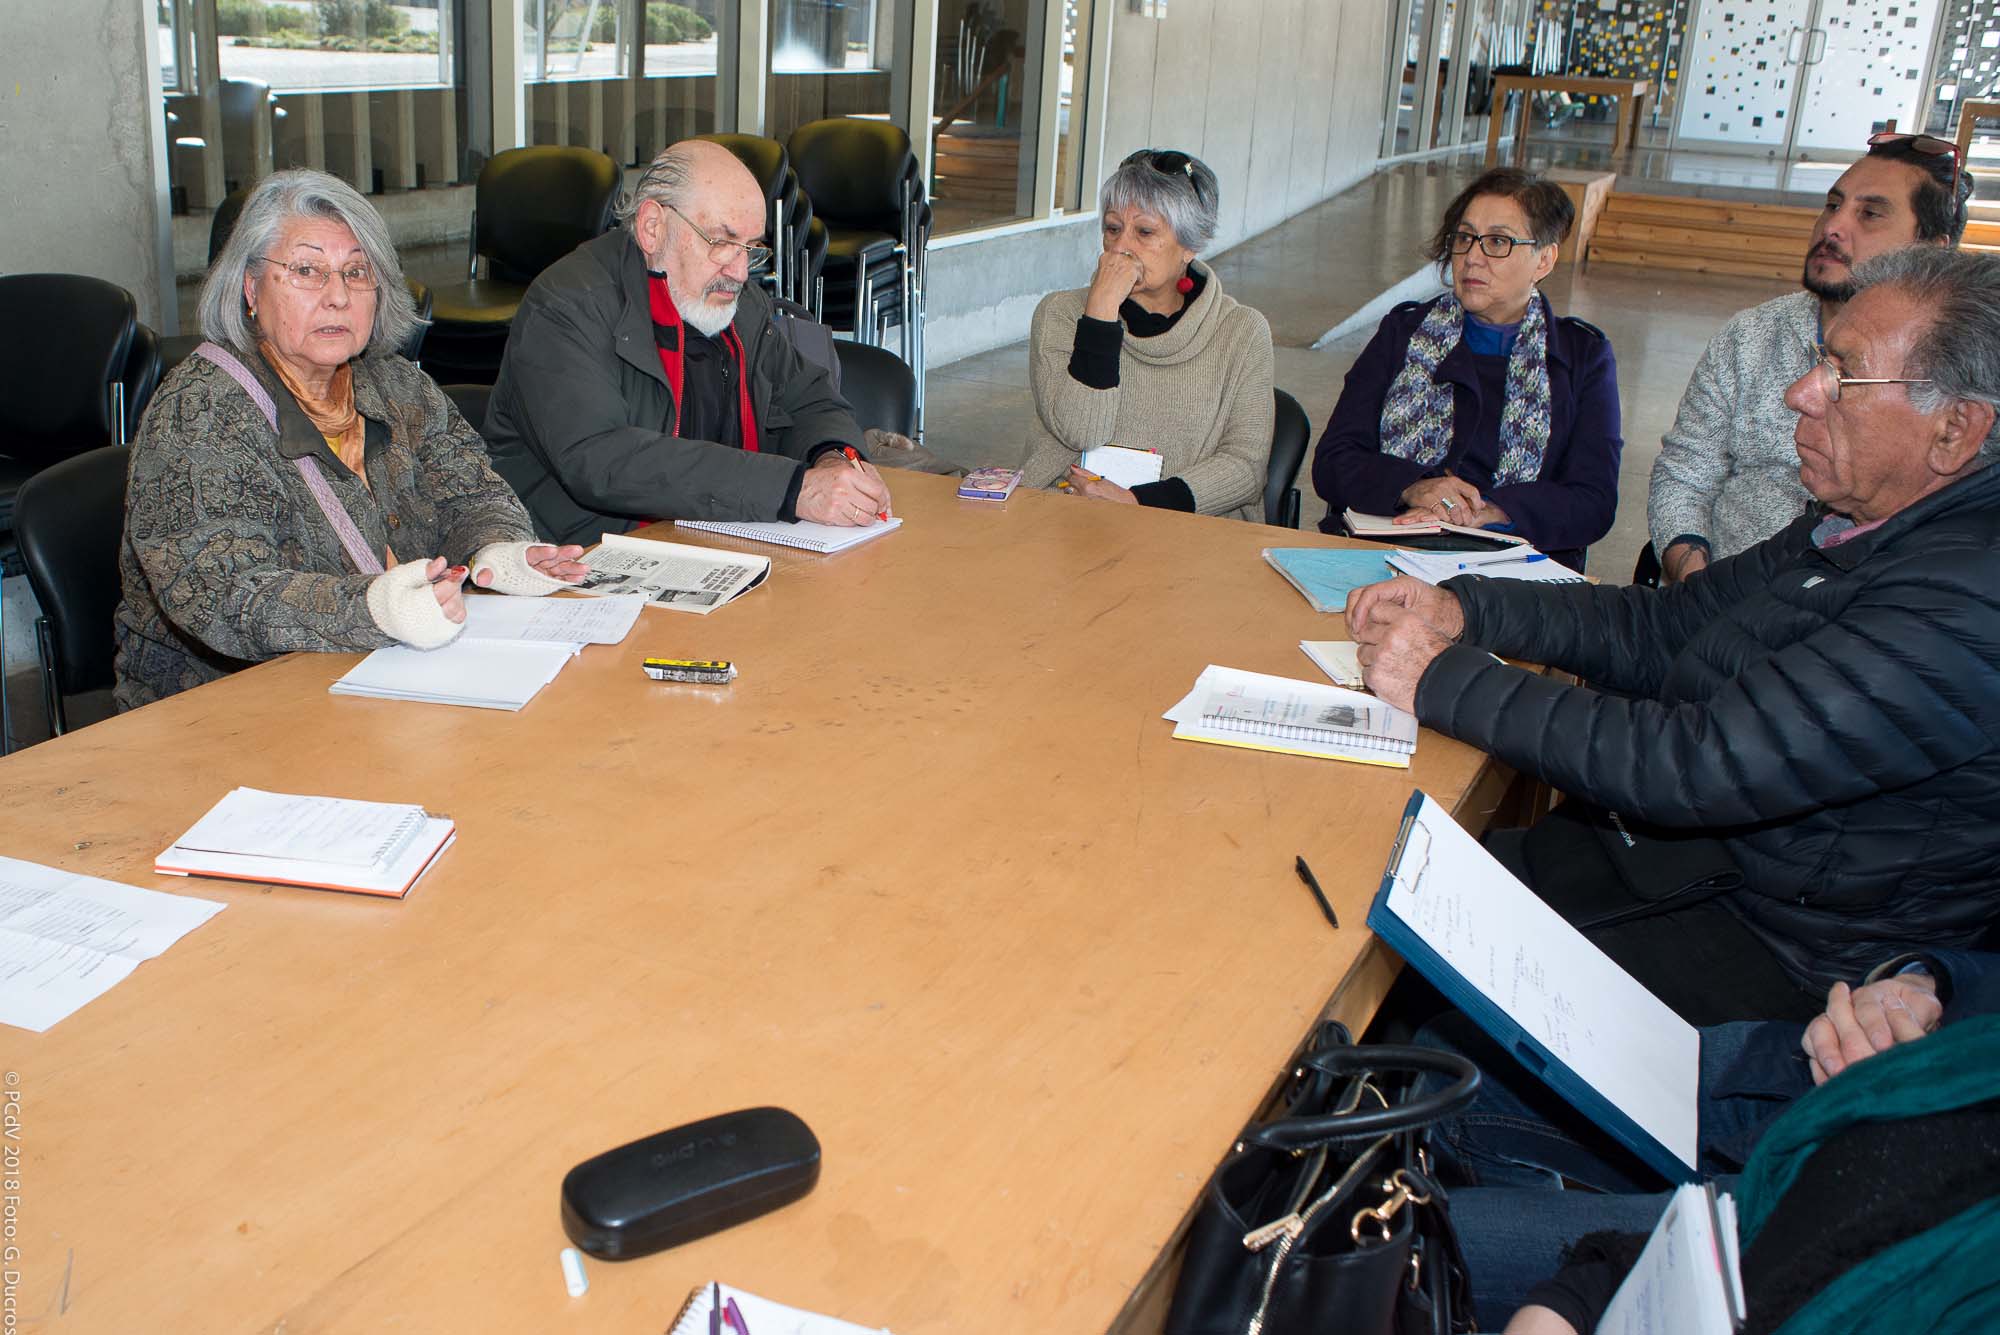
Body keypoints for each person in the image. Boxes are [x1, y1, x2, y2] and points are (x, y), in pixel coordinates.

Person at [1346, 246, 2000, 1025]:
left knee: (1387, 971)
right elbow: (1661, 624)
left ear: (1955, 431)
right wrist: (1464, 610)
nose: (1799, 393)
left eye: (1843, 375)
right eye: (1817, 361)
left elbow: (1697, 762)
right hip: (1683, 865)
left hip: (1774, 952)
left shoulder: (1967, 597)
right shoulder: (1859, 521)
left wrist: (1439, 676)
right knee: (1369, 880)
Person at [115, 170, 586, 712]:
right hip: (225, 708)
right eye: (306, 271)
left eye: (357, 272)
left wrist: (496, 553)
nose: (337, 297)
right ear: (250, 288)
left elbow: (474, 495)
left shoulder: (397, 383)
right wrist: (375, 609)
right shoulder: (198, 413)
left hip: (395, 682)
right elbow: (225, 592)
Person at [1429, 950, 1999, 1329]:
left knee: (1435, 1236)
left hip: (1868, 1184)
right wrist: (1924, 981)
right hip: (1862, 1098)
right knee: (1448, 1062)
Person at [484, 140, 891, 547]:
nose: (739, 273)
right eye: (720, 242)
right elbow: (602, 459)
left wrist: (835, 459)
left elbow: (810, 398)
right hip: (582, 553)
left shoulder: (740, 304)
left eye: (750, 248)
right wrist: (791, 488)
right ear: (652, 227)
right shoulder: (567, 304)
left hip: (712, 540)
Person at [1647, 134, 1975, 583]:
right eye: (1833, 205)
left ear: (1931, 251)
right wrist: (1695, 581)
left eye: (1870, 214)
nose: (1832, 227)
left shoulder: (1960, 375)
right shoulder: (1751, 336)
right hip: (1717, 594)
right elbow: (1685, 473)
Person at [1312, 167, 1620, 572]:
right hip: (1387, 555)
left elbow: (1593, 500)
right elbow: (1333, 461)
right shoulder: (1404, 333)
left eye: (1498, 242)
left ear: (1544, 260)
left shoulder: (1582, 356)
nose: (1473, 257)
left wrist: (1493, 510)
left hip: (1511, 574)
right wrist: (1413, 486)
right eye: (1464, 238)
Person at [1020, 149, 1274, 520]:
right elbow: (1081, 432)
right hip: (1066, 516)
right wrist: (1101, 313)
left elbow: (1246, 466)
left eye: (1144, 232)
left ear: (1190, 245)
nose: (1121, 247)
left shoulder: (1242, 332)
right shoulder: (1061, 315)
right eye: (1113, 228)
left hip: (1183, 529)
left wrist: (1138, 503)